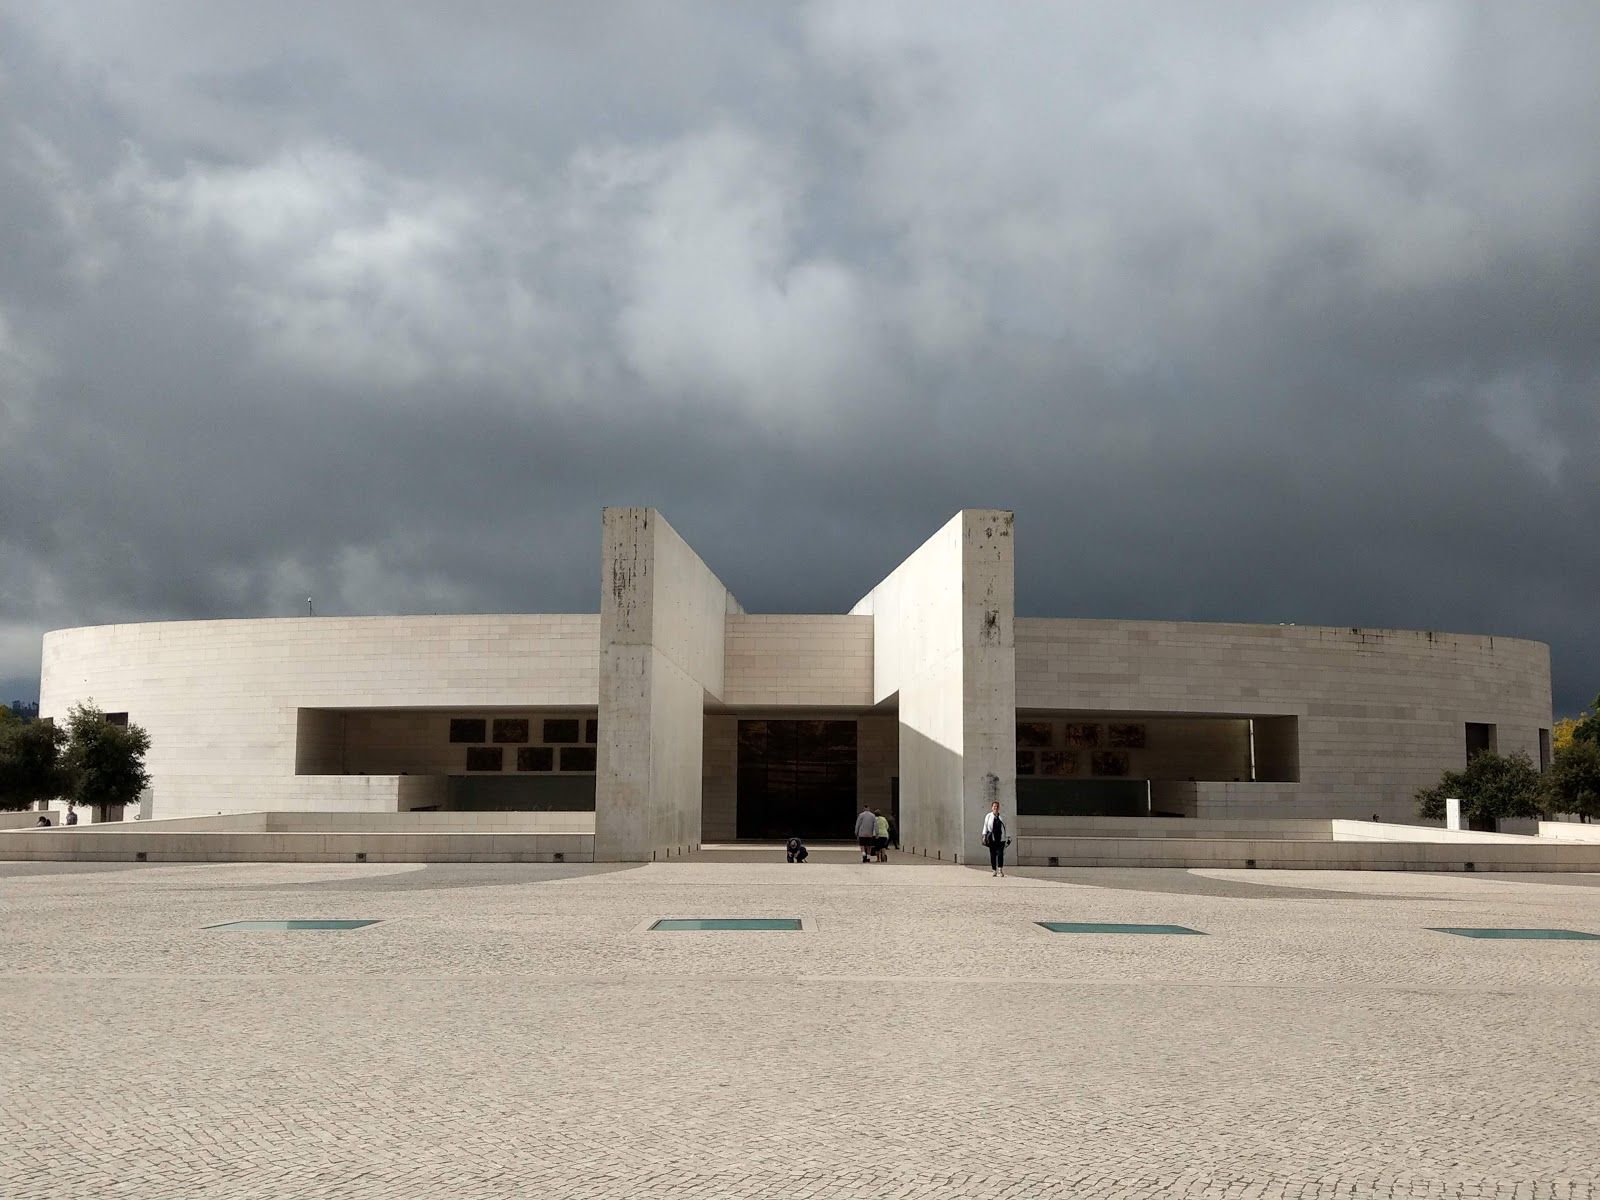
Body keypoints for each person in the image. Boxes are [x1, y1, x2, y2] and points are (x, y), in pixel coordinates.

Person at [981, 800, 1010, 877]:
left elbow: (1006, 827)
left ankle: (1000, 869)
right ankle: (994, 870)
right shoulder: (988, 816)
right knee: (993, 854)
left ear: (999, 808)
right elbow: (985, 826)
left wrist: (1008, 837)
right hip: (992, 838)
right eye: (994, 806)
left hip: (1001, 838)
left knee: (1000, 854)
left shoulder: (1002, 817)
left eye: (997, 807)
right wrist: (984, 836)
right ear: (992, 808)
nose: (995, 808)